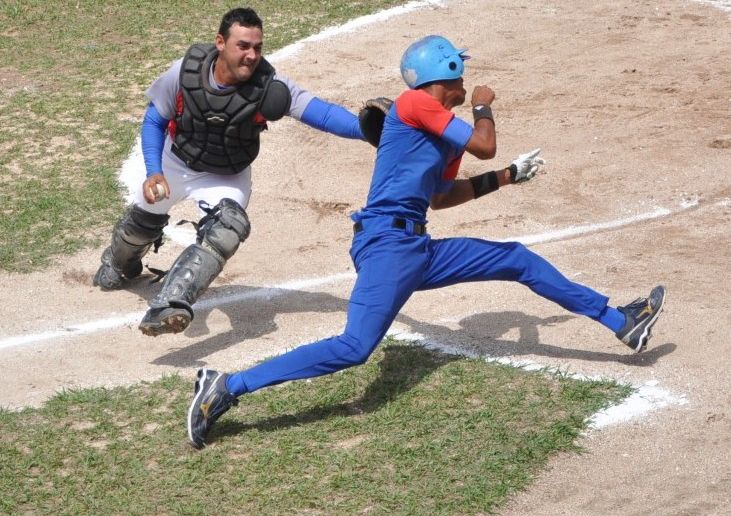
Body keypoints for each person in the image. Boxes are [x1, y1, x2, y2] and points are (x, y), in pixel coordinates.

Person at [186, 35, 666, 449]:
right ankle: (226, 386)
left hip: (418, 248)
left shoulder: (444, 137)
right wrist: (483, 105)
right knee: (354, 348)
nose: (466, 81)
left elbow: (442, 197)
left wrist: (506, 177)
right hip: (387, 246)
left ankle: (621, 321)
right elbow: (485, 142)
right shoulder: (414, 104)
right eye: (461, 73)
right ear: (447, 72)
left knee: (516, 259)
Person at [93, 7, 366, 337]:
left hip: (226, 175)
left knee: (229, 227)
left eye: (258, 47)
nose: (252, 55)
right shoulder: (184, 72)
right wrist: (154, 171)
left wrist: (369, 130)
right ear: (220, 42)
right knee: (140, 226)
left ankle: (170, 303)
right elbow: (154, 119)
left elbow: (320, 113)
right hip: (174, 163)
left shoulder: (270, 86)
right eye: (243, 46)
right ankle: (120, 261)